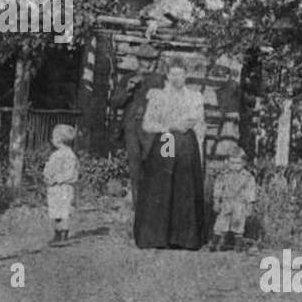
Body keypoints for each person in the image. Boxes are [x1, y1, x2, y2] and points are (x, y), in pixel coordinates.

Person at [133, 57, 208, 250]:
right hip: (166, 139)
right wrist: (169, 126)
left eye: (180, 74)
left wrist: (197, 146)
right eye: (172, 74)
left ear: (186, 75)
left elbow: (199, 124)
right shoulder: (158, 96)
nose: (176, 78)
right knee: (163, 184)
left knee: (184, 186)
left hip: (186, 145)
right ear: (167, 75)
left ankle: (184, 238)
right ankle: (158, 237)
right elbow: (147, 124)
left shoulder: (194, 96)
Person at [110, 58, 166, 207]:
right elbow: (115, 103)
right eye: (142, 60)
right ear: (137, 61)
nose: (145, 64)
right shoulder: (128, 78)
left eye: (148, 61)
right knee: (135, 167)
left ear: (153, 63)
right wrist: (128, 89)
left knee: (152, 165)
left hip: (151, 129)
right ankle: (137, 205)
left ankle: (153, 204)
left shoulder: (158, 80)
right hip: (132, 128)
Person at [210, 146, 258, 251]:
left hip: (240, 204)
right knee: (220, 224)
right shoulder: (223, 175)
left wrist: (250, 205)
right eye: (232, 163)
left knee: (239, 224)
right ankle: (214, 244)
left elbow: (251, 192)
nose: (234, 166)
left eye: (238, 163)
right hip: (226, 202)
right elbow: (218, 188)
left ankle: (238, 246)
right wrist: (216, 201)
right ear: (227, 162)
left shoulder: (248, 177)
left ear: (244, 163)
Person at [43, 124, 79, 245]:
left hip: (63, 187)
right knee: (56, 211)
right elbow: (50, 168)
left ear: (58, 139)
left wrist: (58, 179)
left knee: (63, 210)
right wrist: (48, 177)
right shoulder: (57, 154)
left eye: (53, 137)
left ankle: (63, 234)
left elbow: (71, 173)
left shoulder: (67, 155)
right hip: (55, 188)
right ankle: (57, 233)